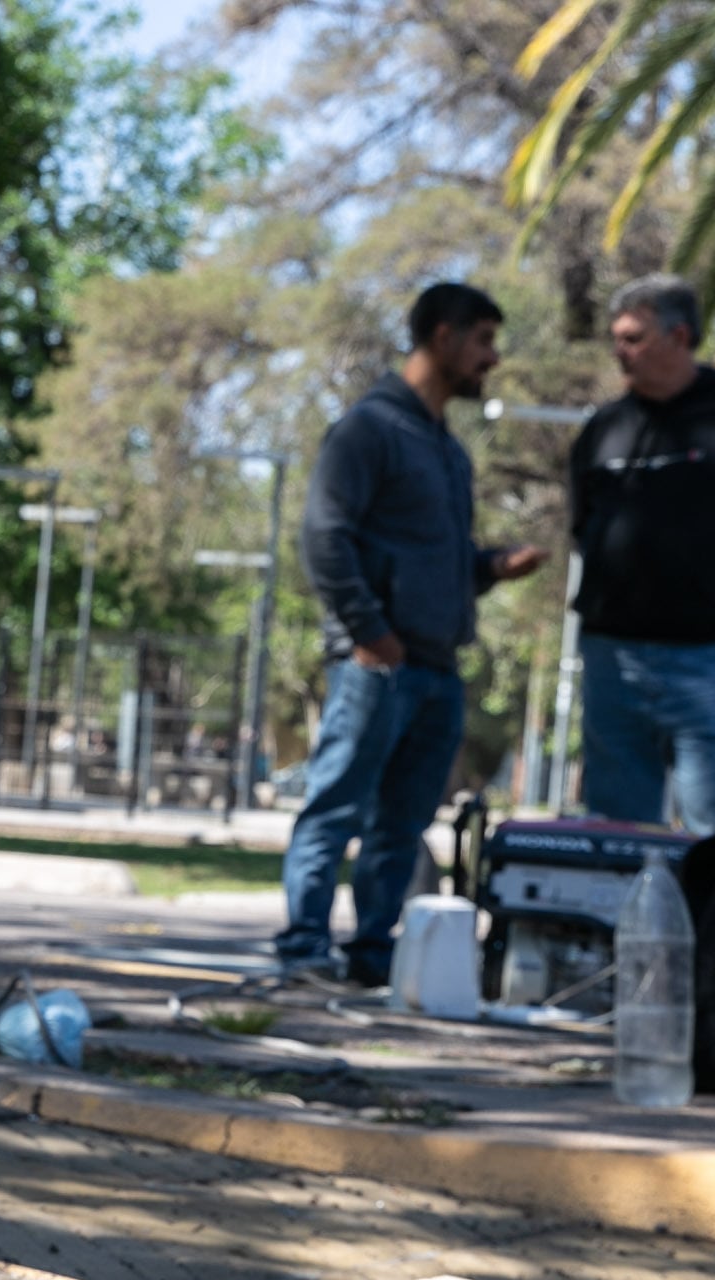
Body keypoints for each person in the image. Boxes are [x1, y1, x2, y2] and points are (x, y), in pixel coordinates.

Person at [276, 282, 546, 982]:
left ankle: (370, 955)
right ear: (444, 337)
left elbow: (434, 560)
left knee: (403, 824)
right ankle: (304, 946)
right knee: (335, 806)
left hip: (437, 666)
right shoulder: (369, 429)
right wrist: (369, 631)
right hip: (378, 664)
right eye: (483, 340)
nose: (492, 358)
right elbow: (324, 537)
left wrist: (489, 568)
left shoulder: (448, 451)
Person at [568, 275, 715, 835]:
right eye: (616, 338)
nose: (619, 352)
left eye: (634, 338)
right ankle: (616, 924)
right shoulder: (603, 430)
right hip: (612, 655)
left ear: (680, 336)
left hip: (704, 657)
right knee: (616, 827)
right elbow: (583, 528)